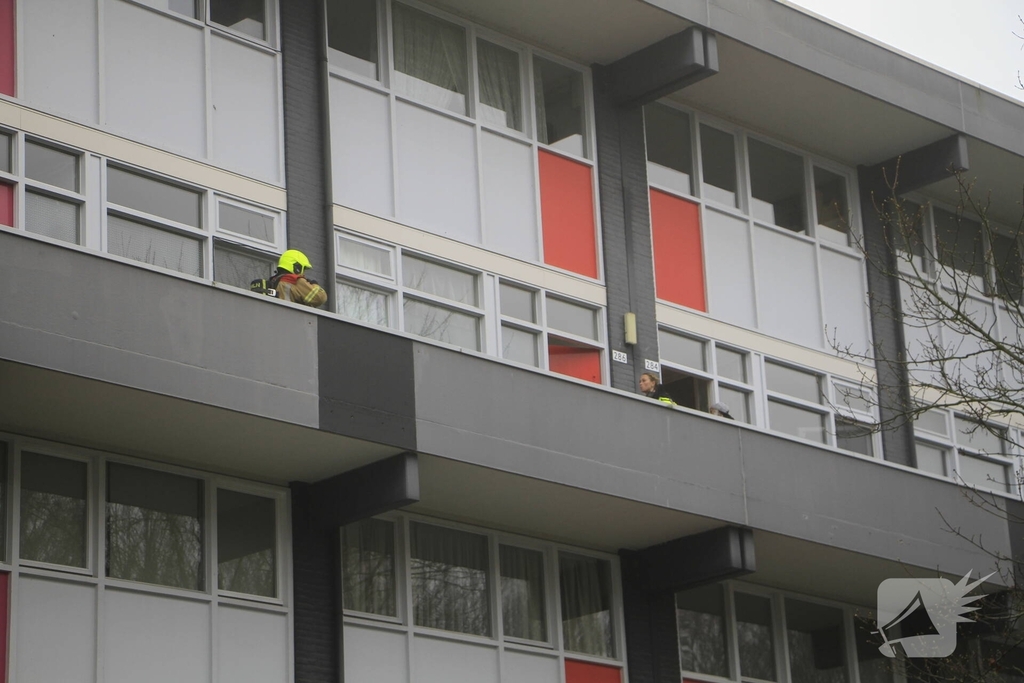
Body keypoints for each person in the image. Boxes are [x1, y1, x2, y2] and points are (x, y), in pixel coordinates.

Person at [251, 249, 328, 309]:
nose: (303, 274)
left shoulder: (274, 282)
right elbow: (320, 297)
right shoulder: (295, 281)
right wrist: (315, 284)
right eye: (303, 269)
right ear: (297, 267)